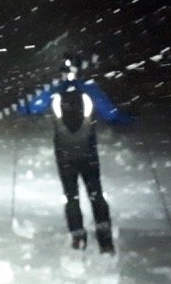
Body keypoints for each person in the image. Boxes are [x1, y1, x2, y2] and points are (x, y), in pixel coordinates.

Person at [19, 53, 129, 254]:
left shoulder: (54, 90)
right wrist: (130, 119)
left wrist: (22, 104)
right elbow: (112, 115)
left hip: (64, 152)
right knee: (96, 195)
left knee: (71, 196)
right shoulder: (90, 89)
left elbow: (31, 109)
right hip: (88, 151)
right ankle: (105, 241)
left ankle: (78, 238)